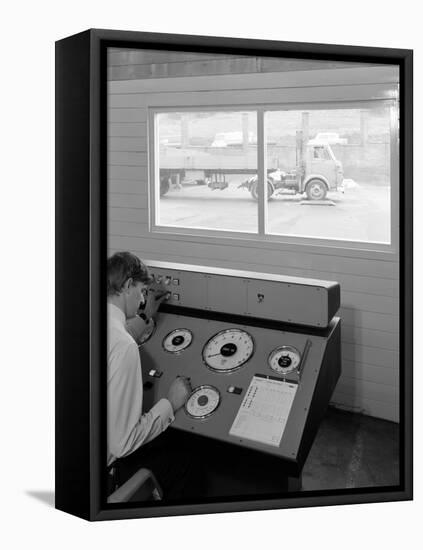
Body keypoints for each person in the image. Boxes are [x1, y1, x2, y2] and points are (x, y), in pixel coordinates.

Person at [107, 251, 196, 499]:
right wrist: (171, 402)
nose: (143, 299)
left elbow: (118, 336)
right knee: (186, 464)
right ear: (127, 285)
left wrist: (146, 317)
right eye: (142, 291)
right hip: (106, 472)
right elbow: (122, 444)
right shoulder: (123, 346)